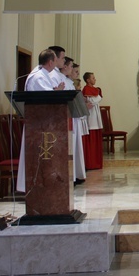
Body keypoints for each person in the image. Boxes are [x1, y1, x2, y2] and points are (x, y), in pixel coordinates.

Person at [16, 49, 64, 193]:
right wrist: (57, 94)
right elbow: (45, 99)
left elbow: (46, 95)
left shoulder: (42, 76)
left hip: (42, 124)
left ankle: (43, 183)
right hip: (38, 125)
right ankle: (35, 186)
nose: (56, 65)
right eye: (55, 62)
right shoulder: (38, 77)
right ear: (50, 62)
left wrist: (55, 93)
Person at [61, 57, 87, 184]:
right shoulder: (64, 81)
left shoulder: (69, 83)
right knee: (72, 148)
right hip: (69, 118)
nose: (75, 72)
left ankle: (76, 175)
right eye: (73, 68)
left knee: (76, 148)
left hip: (74, 117)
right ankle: (73, 176)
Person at [82, 72, 104, 170]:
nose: (95, 79)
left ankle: (97, 163)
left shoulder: (95, 90)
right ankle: (91, 163)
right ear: (88, 80)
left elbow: (96, 99)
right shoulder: (86, 89)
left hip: (96, 116)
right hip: (90, 117)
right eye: (93, 78)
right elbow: (92, 101)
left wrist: (98, 97)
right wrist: (98, 97)